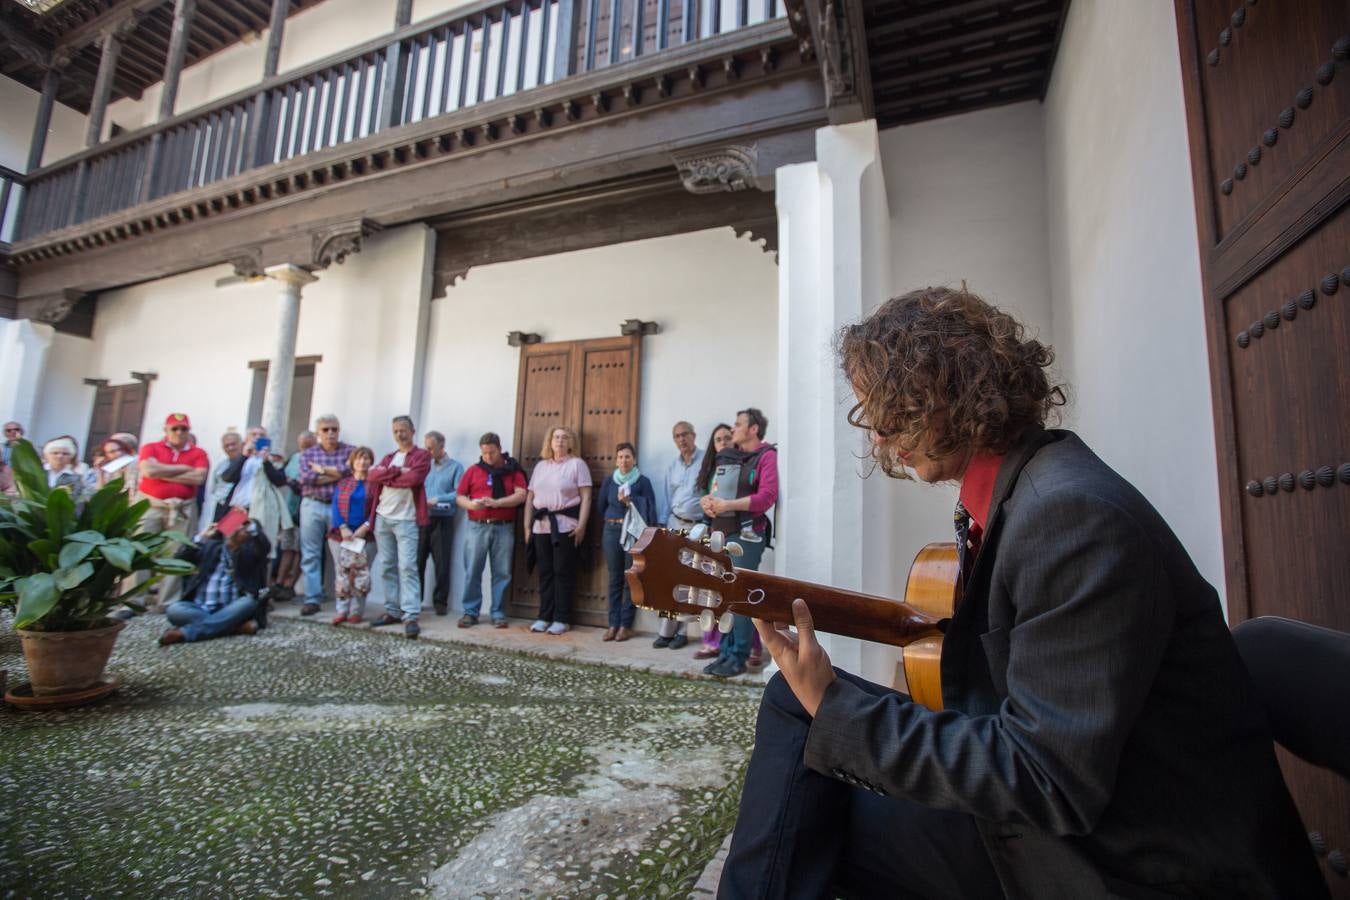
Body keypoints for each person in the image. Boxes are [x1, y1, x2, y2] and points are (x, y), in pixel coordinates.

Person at [718, 286, 1327, 900]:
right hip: (1092, 821)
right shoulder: (1023, 493)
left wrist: (836, 705)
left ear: (945, 393)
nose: (877, 436)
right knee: (799, 722)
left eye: (889, 408)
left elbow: (1046, 778)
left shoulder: (1072, 519)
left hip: (1139, 862)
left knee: (811, 739)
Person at [699, 408, 778, 678]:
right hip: (721, 532)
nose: (733, 429)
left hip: (747, 535)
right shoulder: (730, 457)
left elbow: (767, 497)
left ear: (753, 429)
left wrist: (727, 505)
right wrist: (708, 502)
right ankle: (725, 652)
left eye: (738, 424)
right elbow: (715, 490)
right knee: (724, 598)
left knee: (740, 597)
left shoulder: (766, 456)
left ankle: (739, 656)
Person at [365, 416, 432, 639]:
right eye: (395, 431)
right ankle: (392, 610)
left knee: (407, 566)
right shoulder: (389, 457)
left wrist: (388, 475)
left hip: (407, 518)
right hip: (383, 516)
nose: (399, 434)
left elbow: (413, 479)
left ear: (413, 431)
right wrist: (396, 472)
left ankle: (411, 613)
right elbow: (373, 476)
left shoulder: (421, 455)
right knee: (386, 565)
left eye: (403, 430)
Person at [136, 414, 210, 608]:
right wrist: (183, 468)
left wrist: (162, 471)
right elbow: (148, 471)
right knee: (140, 550)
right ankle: (134, 600)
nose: (179, 433)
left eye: (183, 429)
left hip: (182, 508)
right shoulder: (150, 448)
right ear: (166, 430)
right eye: (175, 428)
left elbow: (198, 478)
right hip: (152, 505)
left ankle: (167, 601)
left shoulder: (199, 453)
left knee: (175, 553)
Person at [524, 426, 592, 635]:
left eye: (564, 437)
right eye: (556, 437)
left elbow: (587, 496)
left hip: (566, 527)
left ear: (571, 442)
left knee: (563, 572)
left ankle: (562, 618)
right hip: (541, 527)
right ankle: (544, 616)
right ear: (550, 441)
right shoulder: (541, 466)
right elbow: (530, 498)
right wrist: (527, 526)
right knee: (545, 573)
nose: (560, 441)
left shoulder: (577, 465)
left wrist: (581, 525)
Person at [455, 432, 528, 628]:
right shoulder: (473, 470)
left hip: (504, 527)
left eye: (492, 453)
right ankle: (470, 612)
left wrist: (498, 503)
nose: (488, 457)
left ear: (499, 448)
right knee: (472, 570)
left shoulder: (512, 469)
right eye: (484, 453)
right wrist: (471, 505)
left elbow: (521, 494)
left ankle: (498, 612)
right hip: (477, 526)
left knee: (502, 572)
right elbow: (460, 496)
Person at [158, 520, 269, 645]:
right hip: (201, 607)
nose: (237, 531)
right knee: (174, 610)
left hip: (232, 608)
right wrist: (200, 537)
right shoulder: (211, 546)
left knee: (249, 602)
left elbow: (264, 547)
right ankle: (232, 628)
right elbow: (179, 560)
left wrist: (250, 526)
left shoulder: (248, 553)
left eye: (242, 531)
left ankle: (186, 633)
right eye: (235, 528)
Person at [597, 442, 656, 642]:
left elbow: (650, 510)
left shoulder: (642, 482)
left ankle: (625, 625)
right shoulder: (609, 482)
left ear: (634, 459)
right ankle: (612, 624)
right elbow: (600, 506)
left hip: (632, 532)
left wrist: (630, 502)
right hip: (612, 531)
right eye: (620, 456)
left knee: (630, 578)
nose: (624, 460)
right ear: (616, 460)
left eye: (628, 456)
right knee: (614, 578)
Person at [652, 421, 704, 649]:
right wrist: (662, 528)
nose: (681, 439)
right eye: (677, 436)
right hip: (674, 524)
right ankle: (666, 632)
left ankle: (683, 632)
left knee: (689, 580)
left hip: (696, 527)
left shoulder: (706, 461)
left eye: (685, 435)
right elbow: (667, 496)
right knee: (669, 578)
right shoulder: (672, 466)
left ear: (693, 435)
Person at [297, 415, 354, 616]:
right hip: (312, 504)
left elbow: (351, 472)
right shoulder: (308, 453)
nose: (331, 433)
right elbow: (306, 479)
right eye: (326, 430)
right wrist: (336, 474)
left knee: (342, 553)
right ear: (318, 433)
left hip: (338, 507)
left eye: (334, 429)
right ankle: (312, 598)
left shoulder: (350, 451)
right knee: (310, 553)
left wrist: (321, 472)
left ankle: (343, 599)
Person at [691, 423, 733, 661]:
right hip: (711, 532)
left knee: (732, 589)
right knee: (708, 588)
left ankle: (745, 645)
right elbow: (702, 498)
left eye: (727, 438)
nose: (723, 442)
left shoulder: (740, 465)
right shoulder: (709, 470)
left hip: (732, 533)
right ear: (713, 445)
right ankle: (710, 642)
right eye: (719, 439)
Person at [218, 426, 291, 552]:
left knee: (260, 549)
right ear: (246, 439)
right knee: (229, 545)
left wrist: (266, 461)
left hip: (262, 510)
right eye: (254, 435)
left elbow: (280, 480)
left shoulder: (273, 459)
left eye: (261, 435)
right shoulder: (242, 458)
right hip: (239, 508)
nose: (257, 438)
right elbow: (227, 477)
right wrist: (244, 455)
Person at [329, 446, 377, 625]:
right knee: (342, 573)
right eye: (358, 459)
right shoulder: (343, 483)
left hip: (365, 536)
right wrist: (342, 527)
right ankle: (341, 610)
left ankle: (357, 611)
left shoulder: (375, 484)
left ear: (371, 462)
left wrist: (365, 527)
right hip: (341, 536)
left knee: (362, 573)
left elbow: (376, 508)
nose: (362, 462)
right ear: (352, 462)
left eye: (366, 459)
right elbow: (335, 506)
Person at [418, 430, 464, 616]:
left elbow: (459, 493)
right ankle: (414, 600)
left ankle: (440, 602)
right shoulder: (423, 466)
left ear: (441, 447)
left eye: (430, 448)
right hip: (422, 518)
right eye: (426, 447)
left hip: (443, 519)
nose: (427, 452)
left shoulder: (455, 467)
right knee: (417, 561)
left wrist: (438, 499)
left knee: (442, 562)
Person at [273, 430, 316, 601]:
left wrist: (293, 482)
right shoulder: (295, 458)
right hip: (290, 511)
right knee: (287, 548)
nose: (304, 449)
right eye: (302, 445)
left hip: (305, 510)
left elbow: (303, 485)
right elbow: (282, 477)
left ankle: (291, 585)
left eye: (308, 445)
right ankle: (279, 583)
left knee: (301, 550)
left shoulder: (315, 459)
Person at [42, 436, 94, 501]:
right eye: (55, 453)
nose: (60, 456)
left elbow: (74, 499)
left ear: (71, 457)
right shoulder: (38, 471)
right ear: (47, 455)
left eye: (65, 454)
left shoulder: (75, 478)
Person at [207, 431, 244, 522]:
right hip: (222, 506)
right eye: (227, 446)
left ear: (242, 444)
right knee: (216, 534)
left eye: (233, 444)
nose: (230, 448)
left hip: (240, 508)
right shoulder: (221, 466)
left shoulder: (249, 463)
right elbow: (214, 488)